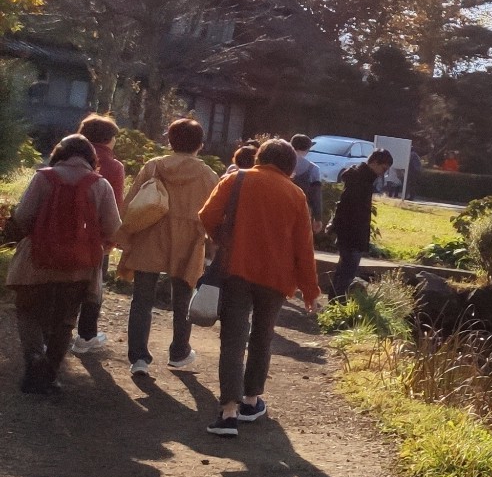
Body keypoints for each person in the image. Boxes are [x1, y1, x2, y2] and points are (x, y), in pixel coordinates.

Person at [197, 139, 321, 437]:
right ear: (291, 166)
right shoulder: (296, 194)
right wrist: (310, 290)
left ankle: (228, 412)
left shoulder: (237, 179)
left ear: (259, 158)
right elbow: (303, 247)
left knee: (233, 339)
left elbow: (206, 215)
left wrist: (222, 240)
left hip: (237, 269)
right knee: (262, 336)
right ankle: (252, 401)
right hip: (276, 278)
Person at [4, 136, 122, 394]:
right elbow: (113, 227)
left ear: (59, 153)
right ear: (92, 159)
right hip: (80, 267)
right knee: (65, 321)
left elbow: (23, 217)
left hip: (37, 261)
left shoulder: (43, 177)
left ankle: (35, 359)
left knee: (28, 312)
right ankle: (51, 373)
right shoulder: (100, 184)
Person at [117, 117, 220, 376]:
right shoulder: (207, 174)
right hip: (187, 238)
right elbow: (214, 214)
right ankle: (179, 352)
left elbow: (131, 203)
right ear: (200, 145)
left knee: (141, 298)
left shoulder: (154, 166)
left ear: (169, 141)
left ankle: (139, 358)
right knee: (183, 296)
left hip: (150, 233)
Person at [71, 113, 126, 353]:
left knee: (60, 284)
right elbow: (114, 205)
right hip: (95, 238)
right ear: (109, 139)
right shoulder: (113, 166)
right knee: (93, 287)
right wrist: (111, 239)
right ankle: (86, 336)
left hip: (58, 232)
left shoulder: (61, 159)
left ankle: (52, 333)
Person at [326, 146, 392, 295]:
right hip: (353, 232)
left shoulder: (359, 177)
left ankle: (334, 300)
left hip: (350, 230)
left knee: (343, 269)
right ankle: (337, 301)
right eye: (383, 168)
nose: (383, 173)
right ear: (374, 162)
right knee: (348, 271)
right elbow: (347, 205)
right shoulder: (361, 180)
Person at [288, 133, 326, 222]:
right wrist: (318, 218)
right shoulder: (313, 169)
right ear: (307, 149)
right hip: (302, 211)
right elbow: (316, 196)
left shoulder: (280, 163)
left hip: (280, 207)